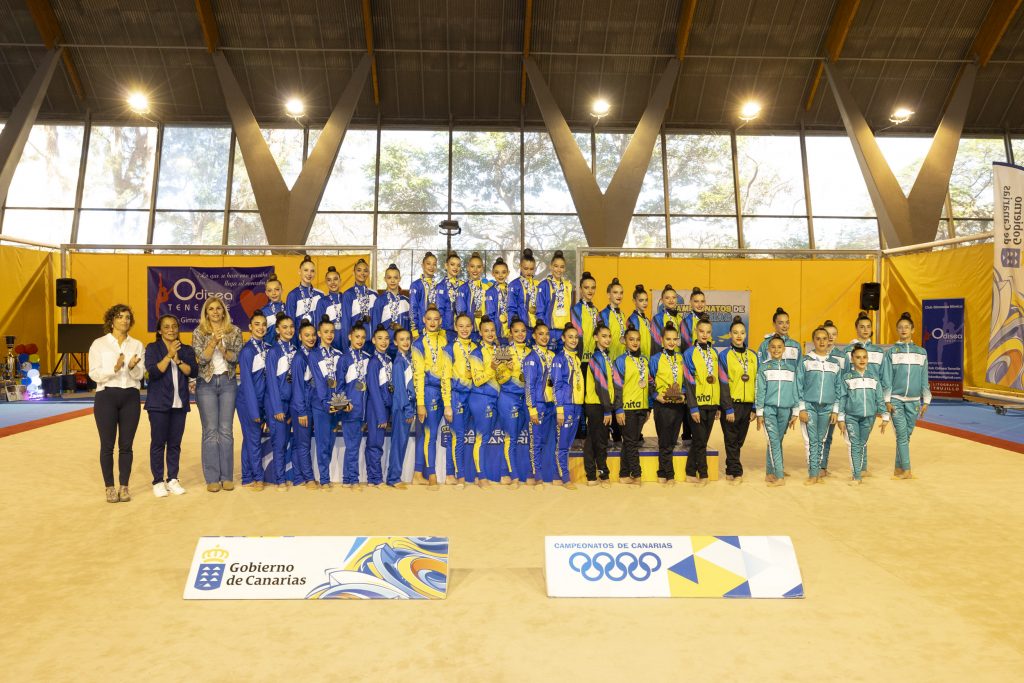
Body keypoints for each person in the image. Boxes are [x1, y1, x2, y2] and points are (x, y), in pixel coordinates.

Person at [89, 304, 146, 503]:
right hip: (106, 396)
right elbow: (93, 373)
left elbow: (140, 375)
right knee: (107, 445)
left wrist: (131, 367)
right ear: (111, 320)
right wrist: (114, 369)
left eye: (128, 317)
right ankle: (109, 487)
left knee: (126, 445)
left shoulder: (137, 345)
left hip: (130, 396)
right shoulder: (99, 344)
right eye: (120, 317)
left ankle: (124, 486)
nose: (124, 320)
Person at [192, 297, 243, 493]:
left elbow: (235, 358)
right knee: (210, 431)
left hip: (228, 382)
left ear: (224, 311)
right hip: (206, 384)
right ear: (206, 313)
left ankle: (227, 476)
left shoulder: (235, 331)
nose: (214, 312)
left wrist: (222, 347)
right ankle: (212, 477)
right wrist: (212, 341)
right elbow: (202, 360)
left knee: (226, 430)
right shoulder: (199, 332)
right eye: (210, 309)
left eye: (218, 309)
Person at [144, 314, 195, 498]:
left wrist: (178, 359)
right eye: (166, 327)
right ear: (159, 330)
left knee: (175, 444)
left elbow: (193, 370)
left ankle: (173, 479)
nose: (171, 330)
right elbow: (153, 372)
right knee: (158, 443)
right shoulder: (152, 348)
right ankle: (158, 481)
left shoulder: (186, 349)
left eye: (174, 326)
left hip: (179, 403)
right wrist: (169, 355)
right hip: (158, 404)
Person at [682, 315, 732, 485]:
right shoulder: (689, 353)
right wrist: (693, 407)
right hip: (698, 404)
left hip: (712, 403)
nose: (704, 335)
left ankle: (689, 472)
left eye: (708, 332)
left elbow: (719, 379)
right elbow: (689, 383)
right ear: (696, 331)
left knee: (700, 441)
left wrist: (718, 404)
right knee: (700, 440)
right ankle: (702, 474)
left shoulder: (714, 353)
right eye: (701, 331)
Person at [882, 312, 931, 479]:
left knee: (906, 436)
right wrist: (887, 400)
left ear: (913, 329)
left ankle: (897, 468)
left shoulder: (921, 352)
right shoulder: (892, 352)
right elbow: (887, 378)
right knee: (902, 435)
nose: (903, 330)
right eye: (900, 327)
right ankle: (908, 470)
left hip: (914, 401)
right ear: (897, 330)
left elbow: (924, 378)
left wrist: (926, 400)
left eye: (906, 327)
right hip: (896, 399)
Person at [796, 326, 843, 485]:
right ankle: (813, 473)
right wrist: (802, 408)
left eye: (825, 338)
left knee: (821, 440)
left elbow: (838, 388)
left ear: (829, 340)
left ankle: (816, 472)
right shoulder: (806, 361)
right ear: (813, 341)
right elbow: (799, 385)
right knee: (811, 441)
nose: (822, 341)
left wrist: (835, 410)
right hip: (809, 406)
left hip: (827, 408)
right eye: (818, 338)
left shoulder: (834, 363)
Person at [838, 344, 889, 485]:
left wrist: (885, 416)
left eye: (864, 357)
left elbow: (879, 398)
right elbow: (842, 398)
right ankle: (856, 476)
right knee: (855, 444)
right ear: (852, 359)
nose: (862, 360)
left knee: (862, 444)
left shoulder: (874, 378)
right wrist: (841, 418)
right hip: (851, 417)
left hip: (869, 417)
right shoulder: (846, 378)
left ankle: (859, 471)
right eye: (858, 357)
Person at [755, 335, 800, 487]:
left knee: (777, 441)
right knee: (774, 441)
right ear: (768, 349)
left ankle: (770, 472)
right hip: (769, 410)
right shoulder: (764, 368)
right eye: (773, 347)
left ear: (784, 349)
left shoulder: (791, 369)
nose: (776, 350)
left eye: (779, 347)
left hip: (785, 410)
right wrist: (760, 413)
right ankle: (779, 475)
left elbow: (795, 390)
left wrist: (795, 411)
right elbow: (760, 391)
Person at [717, 316, 757, 484]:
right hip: (731, 404)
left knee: (738, 440)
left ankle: (730, 467)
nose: (739, 336)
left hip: (747, 405)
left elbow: (756, 383)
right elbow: (723, 384)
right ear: (730, 335)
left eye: (742, 332)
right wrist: (728, 408)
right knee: (731, 439)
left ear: (745, 334)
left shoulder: (753, 355)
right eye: (735, 333)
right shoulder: (724, 356)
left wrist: (754, 407)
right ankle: (736, 472)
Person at [847, 311, 886, 475]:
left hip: (871, 400)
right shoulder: (848, 351)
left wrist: (883, 401)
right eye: (861, 327)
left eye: (868, 327)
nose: (865, 330)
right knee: (855, 438)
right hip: (854, 401)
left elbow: (883, 377)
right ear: (856, 328)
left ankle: (862, 466)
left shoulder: (878, 351)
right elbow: (844, 376)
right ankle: (859, 469)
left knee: (864, 436)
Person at [441, 313, 478, 487]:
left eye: (467, 326)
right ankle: (455, 474)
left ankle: (456, 473)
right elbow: (445, 378)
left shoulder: (476, 348)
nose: (464, 329)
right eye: (461, 326)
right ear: (455, 327)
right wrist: (447, 404)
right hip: (456, 396)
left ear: (472, 327)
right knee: (457, 436)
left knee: (463, 437)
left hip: (472, 396)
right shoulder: (449, 349)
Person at [412, 306, 447, 488]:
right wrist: (420, 403)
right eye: (429, 319)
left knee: (427, 433)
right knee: (430, 434)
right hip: (428, 391)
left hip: (444, 390)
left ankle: (418, 473)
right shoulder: (418, 344)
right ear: (423, 321)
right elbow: (418, 374)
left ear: (440, 321)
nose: (432, 322)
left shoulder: (444, 340)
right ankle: (431, 473)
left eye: (436, 319)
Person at [308, 315, 344, 488]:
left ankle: (326, 474)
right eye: (325, 332)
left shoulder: (339, 354)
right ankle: (324, 478)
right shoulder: (314, 355)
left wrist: (338, 403)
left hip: (336, 404)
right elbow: (319, 382)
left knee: (330, 440)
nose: (329, 335)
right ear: (319, 334)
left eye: (332, 332)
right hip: (321, 405)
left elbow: (342, 380)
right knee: (323, 442)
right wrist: (325, 404)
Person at [612, 326, 651, 485]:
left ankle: (623, 474)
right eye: (631, 339)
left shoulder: (644, 360)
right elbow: (617, 387)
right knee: (631, 442)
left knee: (630, 441)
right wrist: (619, 409)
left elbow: (648, 385)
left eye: (637, 339)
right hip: (627, 408)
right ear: (625, 342)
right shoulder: (620, 361)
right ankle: (637, 473)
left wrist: (648, 407)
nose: (635, 342)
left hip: (641, 408)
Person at [237, 311, 270, 488]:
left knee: (249, 439)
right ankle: (258, 477)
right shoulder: (247, 351)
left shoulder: (267, 347)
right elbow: (247, 383)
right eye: (257, 324)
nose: (261, 327)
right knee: (254, 439)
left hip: (262, 401)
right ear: (250, 327)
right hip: (248, 402)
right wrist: (254, 410)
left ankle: (247, 476)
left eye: (264, 324)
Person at [497, 318, 532, 487]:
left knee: (518, 437)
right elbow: (498, 378)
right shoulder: (503, 351)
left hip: (525, 398)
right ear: (510, 332)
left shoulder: (530, 351)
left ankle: (505, 472)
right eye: (516, 331)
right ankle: (514, 475)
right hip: (508, 397)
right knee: (510, 437)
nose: (520, 334)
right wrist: (508, 371)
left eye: (523, 331)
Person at [650, 321, 685, 486]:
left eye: (674, 339)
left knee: (671, 440)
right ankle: (669, 475)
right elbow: (648, 380)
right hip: (662, 405)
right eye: (668, 339)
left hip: (678, 405)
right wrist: (656, 396)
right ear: (662, 340)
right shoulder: (656, 359)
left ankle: (662, 471)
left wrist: (683, 393)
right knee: (664, 440)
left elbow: (685, 380)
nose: (671, 342)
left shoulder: (680, 358)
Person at [264, 313, 297, 488]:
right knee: (279, 442)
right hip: (277, 404)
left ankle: (288, 474)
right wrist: (277, 409)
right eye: (284, 327)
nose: (289, 330)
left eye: (291, 327)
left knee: (287, 442)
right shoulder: (273, 352)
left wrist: (292, 409)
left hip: (290, 404)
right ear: (277, 330)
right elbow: (271, 382)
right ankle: (280, 479)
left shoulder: (294, 351)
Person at [469, 316, 502, 487]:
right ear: (480, 333)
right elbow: (478, 380)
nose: (490, 333)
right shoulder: (476, 353)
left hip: (494, 398)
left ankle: (483, 474)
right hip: (481, 398)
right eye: (486, 330)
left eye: (492, 330)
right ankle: (481, 476)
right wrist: (492, 369)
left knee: (488, 436)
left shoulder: (498, 349)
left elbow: (502, 377)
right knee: (481, 438)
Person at [550, 324, 583, 489]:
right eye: (570, 337)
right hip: (566, 406)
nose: (574, 340)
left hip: (577, 406)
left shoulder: (575, 358)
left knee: (568, 443)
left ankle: (559, 475)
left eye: (576, 337)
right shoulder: (559, 359)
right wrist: (560, 409)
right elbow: (556, 385)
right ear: (563, 338)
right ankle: (564, 478)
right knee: (562, 444)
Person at [524, 322, 557, 485]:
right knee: (535, 441)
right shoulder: (531, 358)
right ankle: (536, 476)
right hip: (538, 404)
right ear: (534, 336)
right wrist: (532, 409)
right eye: (540, 334)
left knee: (549, 441)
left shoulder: (552, 355)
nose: (544, 337)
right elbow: (529, 384)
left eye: (547, 334)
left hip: (551, 404)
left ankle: (549, 473)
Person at [583, 323, 615, 487]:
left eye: (609, 336)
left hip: (601, 405)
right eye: (603, 336)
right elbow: (601, 386)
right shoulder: (596, 358)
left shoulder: (606, 357)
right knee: (598, 441)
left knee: (595, 439)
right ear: (596, 338)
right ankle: (599, 473)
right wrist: (608, 410)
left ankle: (593, 473)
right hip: (597, 406)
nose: (607, 339)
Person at [288, 320, 320, 489]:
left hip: (309, 403)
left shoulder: (313, 354)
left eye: (313, 335)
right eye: (307, 335)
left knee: (299, 442)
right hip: (301, 406)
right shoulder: (300, 358)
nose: (311, 338)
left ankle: (298, 476)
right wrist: (301, 411)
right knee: (303, 443)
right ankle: (308, 478)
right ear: (300, 337)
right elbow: (298, 387)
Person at [338, 325, 370, 488]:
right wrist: (345, 404)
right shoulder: (344, 359)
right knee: (352, 446)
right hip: (351, 409)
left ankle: (349, 477)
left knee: (355, 445)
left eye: (363, 337)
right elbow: (339, 386)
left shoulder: (367, 358)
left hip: (363, 410)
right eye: (357, 336)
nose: (360, 340)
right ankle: (351, 478)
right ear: (350, 337)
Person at [366, 325, 395, 488]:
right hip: (376, 409)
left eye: (386, 339)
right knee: (375, 443)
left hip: (385, 406)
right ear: (373, 340)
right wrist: (381, 415)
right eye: (380, 339)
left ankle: (374, 477)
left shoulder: (388, 359)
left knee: (378, 442)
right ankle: (374, 478)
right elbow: (374, 390)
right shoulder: (374, 362)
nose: (383, 342)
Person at [388, 328, 415, 489]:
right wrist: (407, 409)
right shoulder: (399, 362)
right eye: (402, 339)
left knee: (402, 442)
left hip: (407, 406)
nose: (405, 342)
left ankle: (394, 476)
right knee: (399, 442)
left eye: (407, 339)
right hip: (402, 408)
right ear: (395, 342)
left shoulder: (407, 359)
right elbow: (400, 389)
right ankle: (393, 478)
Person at [536, 250, 573, 353]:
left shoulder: (567, 285)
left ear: (565, 268)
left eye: (562, 267)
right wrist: (543, 330)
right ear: (550, 267)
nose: (559, 269)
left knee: (563, 360)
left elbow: (569, 307)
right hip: (550, 330)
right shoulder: (544, 285)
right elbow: (540, 309)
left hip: (564, 330)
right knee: (549, 360)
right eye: (556, 266)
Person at [371, 263, 411, 354]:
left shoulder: (406, 301)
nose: (392, 281)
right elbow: (375, 326)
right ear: (385, 279)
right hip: (385, 347)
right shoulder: (380, 300)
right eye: (389, 278)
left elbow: (410, 326)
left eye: (395, 278)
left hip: (402, 347)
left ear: (399, 279)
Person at [341, 258, 377, 350]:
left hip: (372, 343)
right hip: (356, 342)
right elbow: (345, 323)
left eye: (365, 271)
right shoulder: (348, 294)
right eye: (359, 270)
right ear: (353, 272)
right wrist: (346, 348)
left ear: (368, 273)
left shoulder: (374, 294)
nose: (362, 273)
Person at [456, 252, 490, 343]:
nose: (475, 270)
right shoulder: (463, 288)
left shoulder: (488, 287)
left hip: (486, 331)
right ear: (467, 267)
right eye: (472, 266)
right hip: (469, 332)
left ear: (482, 268)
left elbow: (492, 311)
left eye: (478, 267)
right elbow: (460, 312)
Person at [570, 271, 600, 364]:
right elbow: (577, 334)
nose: (590, 291)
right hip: (581, 356)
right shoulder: (576, 309)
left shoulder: (595, 310)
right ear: (580, 289)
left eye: (593, 288)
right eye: (586, 288)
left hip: (593, 355)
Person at [508, 249, 539, 336]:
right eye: (525, 268)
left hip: (536, 326)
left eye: (531, 269)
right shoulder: (514, 285)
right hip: (521, 327)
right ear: (520, 266)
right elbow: (511, 308)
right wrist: (512, 327)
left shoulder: (538, 284)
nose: (528, 272)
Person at [285, 255, 323, 326]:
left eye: (312, 271)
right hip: (299, 336)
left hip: (316, 337)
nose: (309, 274)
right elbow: (290, 323)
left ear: (314, 273)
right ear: (299, 272)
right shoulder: (293, 295)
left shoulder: (320, 294)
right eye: (306, 270)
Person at [314, 265, 345, 351]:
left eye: (335, 279)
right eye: (329, 280)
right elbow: (319, 326)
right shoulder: (322, 302)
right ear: (326, 282)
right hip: (330, 345)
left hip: (347, 344)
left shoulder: (346, 298)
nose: (332, 283)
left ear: (340, 281)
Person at [409, 252, 439, 340]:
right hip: (420, 330)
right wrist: (414, 330)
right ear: (422, 265)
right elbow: (413, 308)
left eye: (434, 264)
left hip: (436, 329)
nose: (431, 267)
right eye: (428, 263)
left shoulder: (438, 285)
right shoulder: (416, 285)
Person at [434, 252, 464, 333]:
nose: (455, 267)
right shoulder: (440, 286)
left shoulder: (463, 286)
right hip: (446, 329)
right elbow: (439, 310)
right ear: (446, 266)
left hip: (462, 329)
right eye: (452, 264)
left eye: (458, 265)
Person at [485, 258, 512, 344]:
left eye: (503, 272)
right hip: (497, 330)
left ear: (508, 273)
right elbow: (490, 314)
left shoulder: (511, 290)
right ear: (493, 273)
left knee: (510, 356)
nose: (500, 275)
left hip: (510, 331)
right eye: (497, 272)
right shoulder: (490, 292)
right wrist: (493, 334)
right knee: (498, 356)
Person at [600, 278, 628, 361]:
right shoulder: (604, 314)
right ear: (608, 295)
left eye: (621, 293)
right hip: (609, 358)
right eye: (615, 292)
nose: (619, 296)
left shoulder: (622, 314)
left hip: (621, 357)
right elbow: (602, 338)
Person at [627, 285, 656, 358]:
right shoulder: (633, 319)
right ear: (634, 301)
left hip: (648, 357)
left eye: (646, 300)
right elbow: (632, 341)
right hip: (638, 358)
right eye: (641, 300)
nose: (645, 303)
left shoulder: (646, 319)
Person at [261, 273, 287, 345]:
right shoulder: (263, 311)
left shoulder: (288, 308)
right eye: (270, 290)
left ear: (282, 290)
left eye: (277, 289)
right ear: (266, 293)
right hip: (268, 349)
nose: (274, 293)